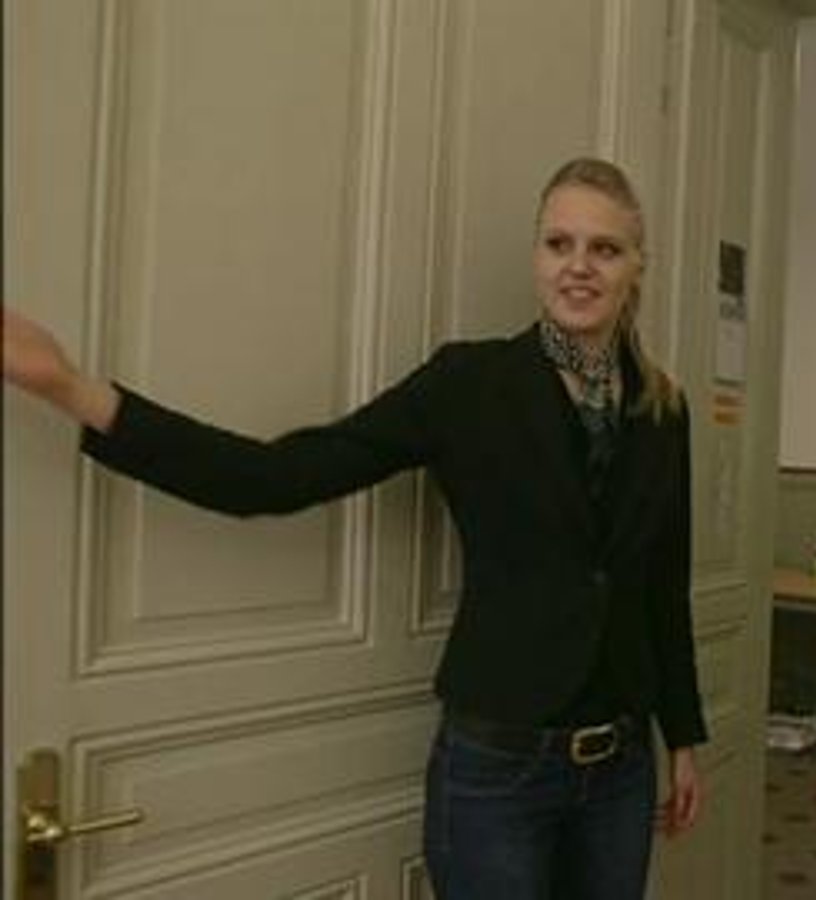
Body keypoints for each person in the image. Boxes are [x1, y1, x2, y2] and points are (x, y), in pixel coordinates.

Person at [3, 157, 705, 900]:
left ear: (637, 265)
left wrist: (684, 736)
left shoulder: (662, 407)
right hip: (500, 773)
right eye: (558, 243)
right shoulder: (468, 385)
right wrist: (71, 388)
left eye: (605, 248)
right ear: (537, 256)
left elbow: (663, 586)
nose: (579, 266)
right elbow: (272, 477)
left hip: (622, 771)